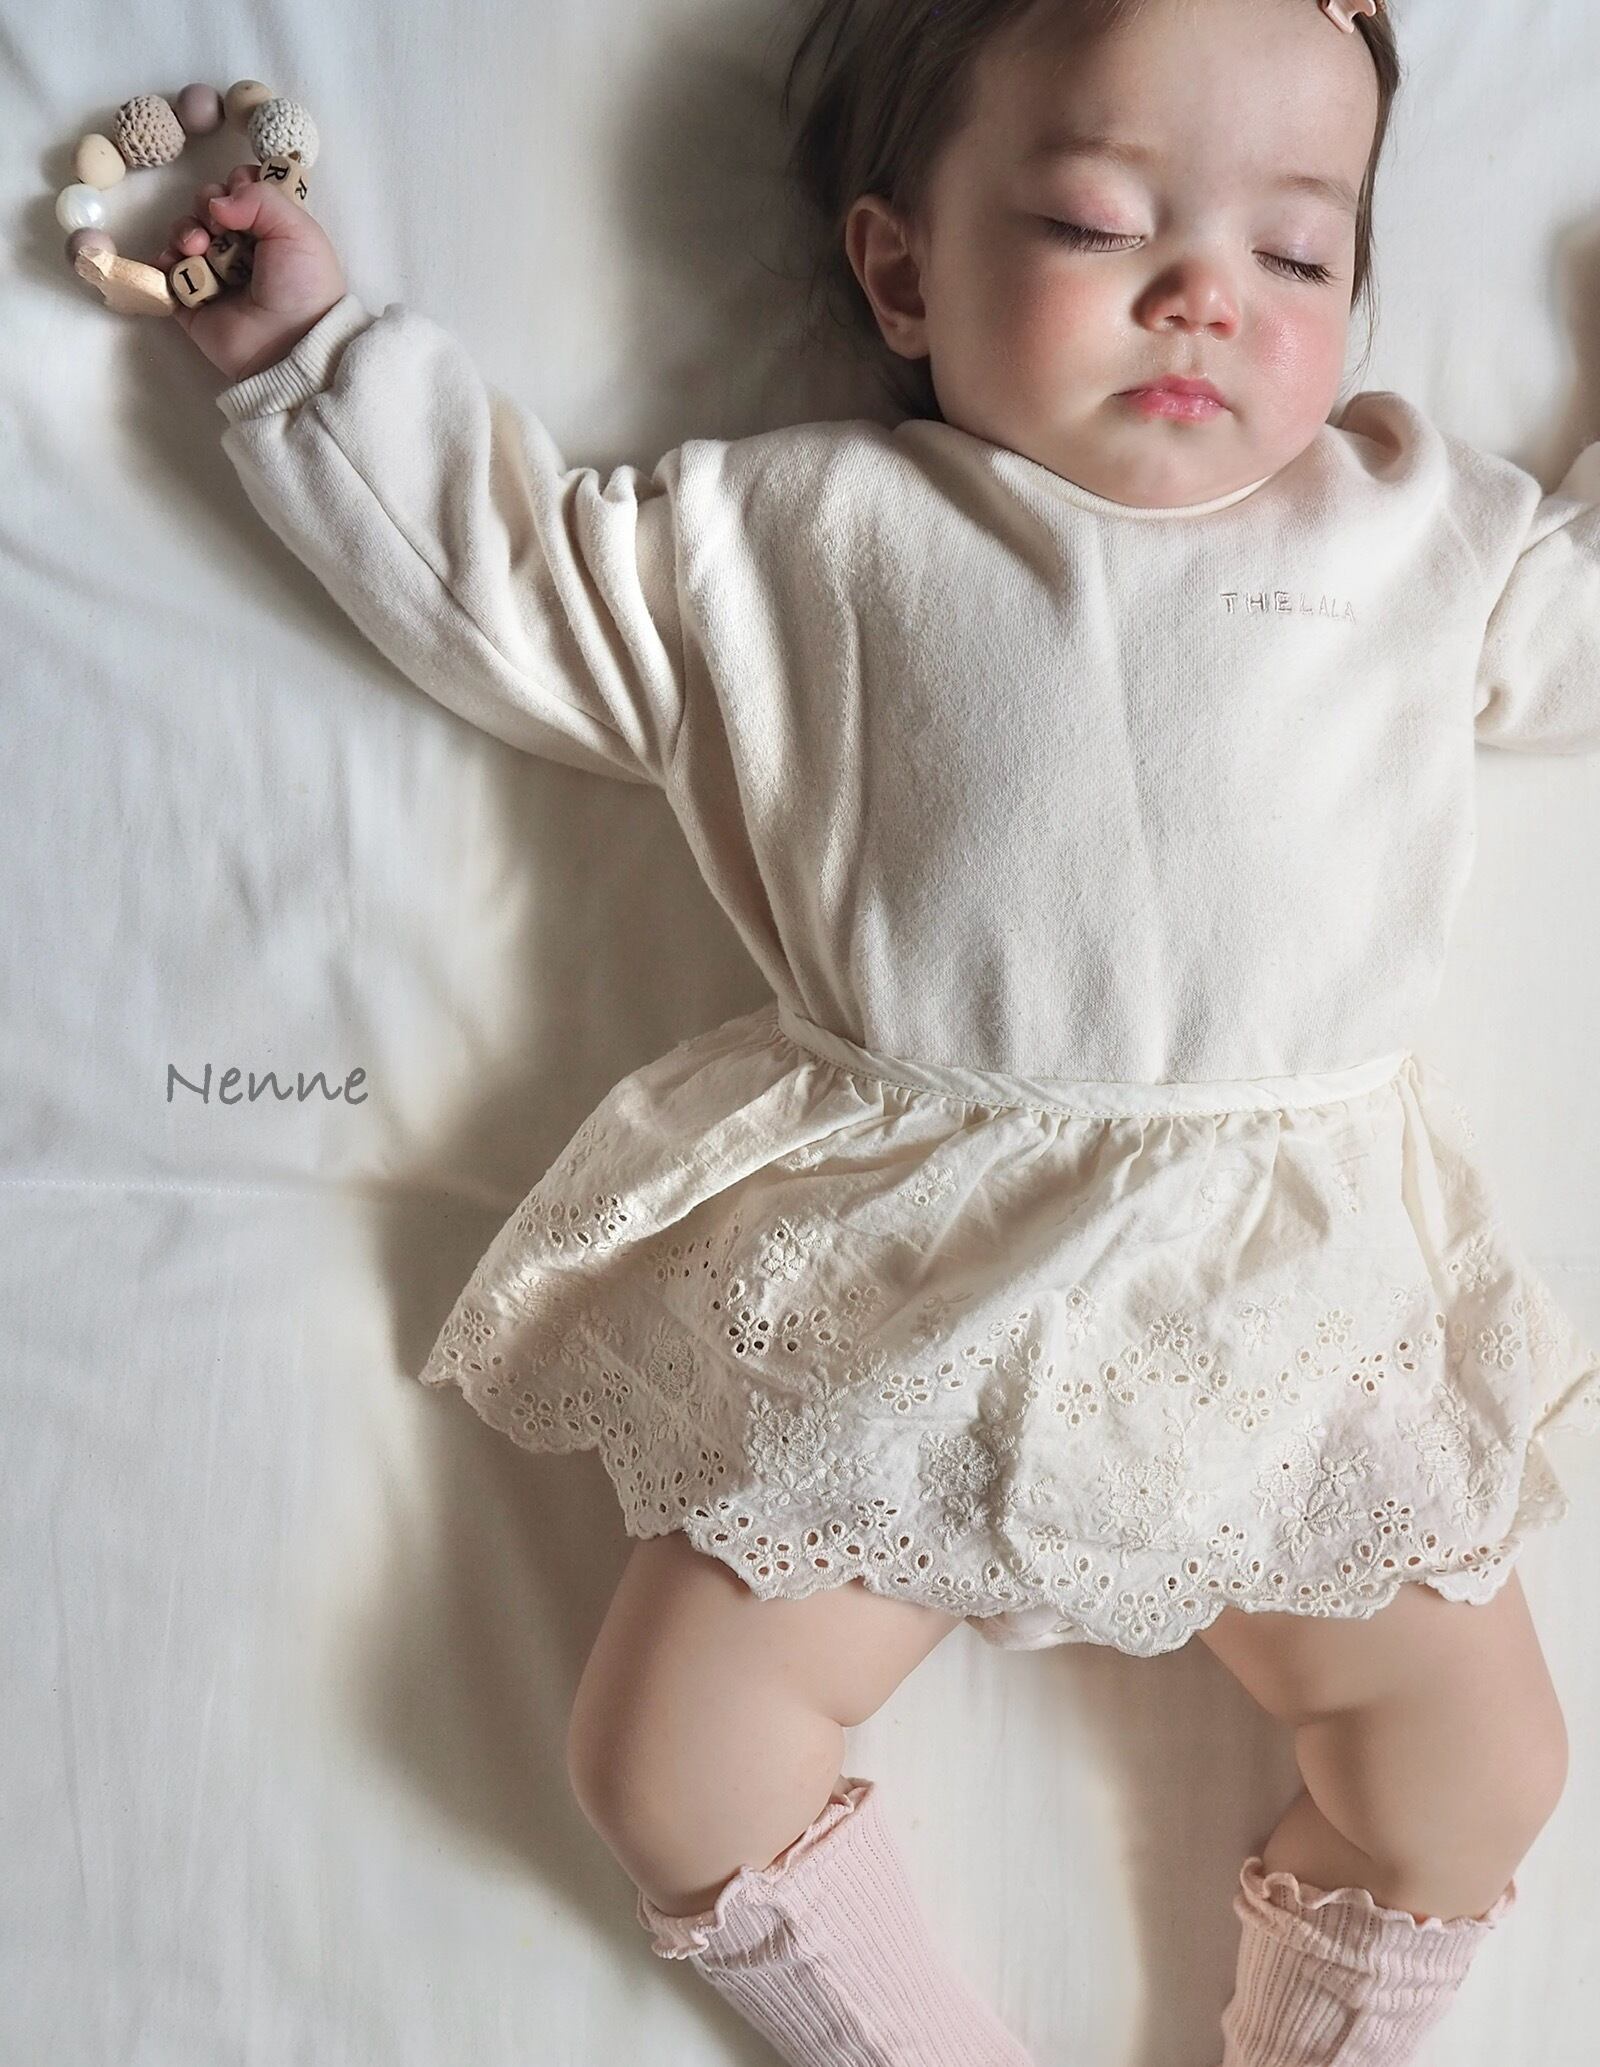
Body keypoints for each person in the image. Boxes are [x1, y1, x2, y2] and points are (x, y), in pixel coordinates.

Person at [160, 0, 1600, 2059]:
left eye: (1298, 252)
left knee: (1478, 1770)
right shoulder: (797, 535)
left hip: (1276, 1287)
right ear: (899, 271)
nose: (1207, 292)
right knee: (669, 1763)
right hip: (908, 1266)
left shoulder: (1407, 529)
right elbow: (511, 585)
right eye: (1099, 221)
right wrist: (311, 359)